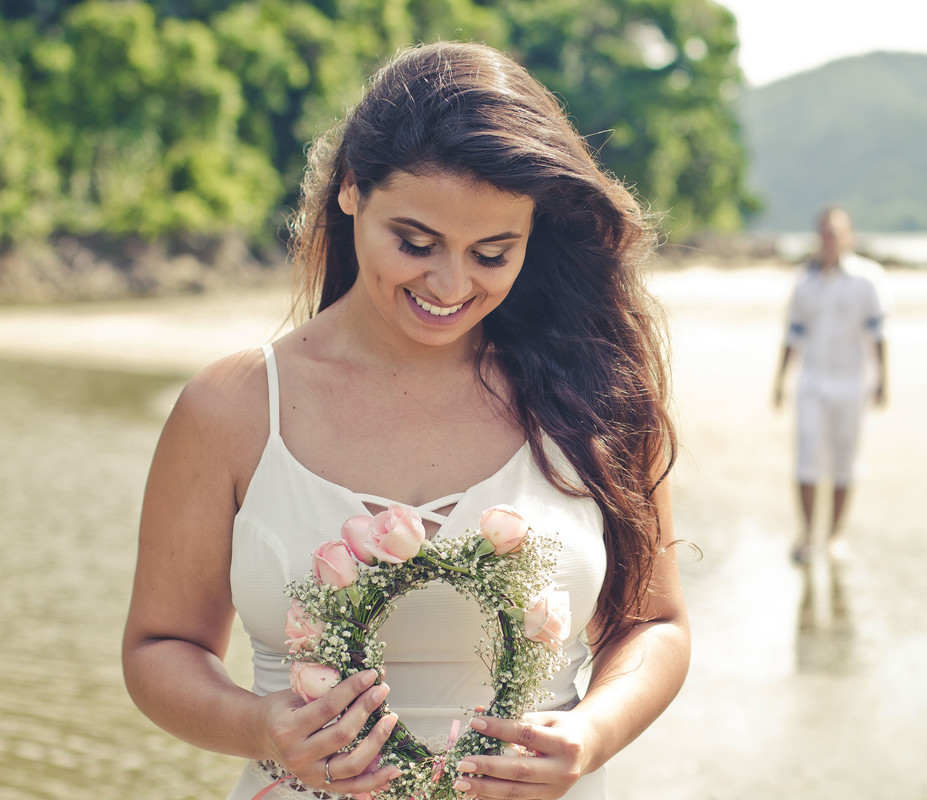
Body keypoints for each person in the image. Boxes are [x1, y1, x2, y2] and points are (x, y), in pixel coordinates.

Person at [123, 41, 689, 800]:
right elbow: (162, 646)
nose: (449, 285)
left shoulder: (596, 396)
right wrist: (260, 726)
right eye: (416, 243)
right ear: (352, 188)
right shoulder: (233, 408)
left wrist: (593, 732)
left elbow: (656, 625)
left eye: (493, 252)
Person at [771, 205, 888, 565]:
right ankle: (807, 535)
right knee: (807, 459)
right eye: (824, 233)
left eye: (836, 233)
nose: (830, 239)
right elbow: (793, 333)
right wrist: (780, 380)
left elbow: (879, 334)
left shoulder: (868, 279)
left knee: (844, 460)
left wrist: (884, 379)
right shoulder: (804, 281)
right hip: (812, 383)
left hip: (852, 383)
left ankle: (836, 536)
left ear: (848, 235)